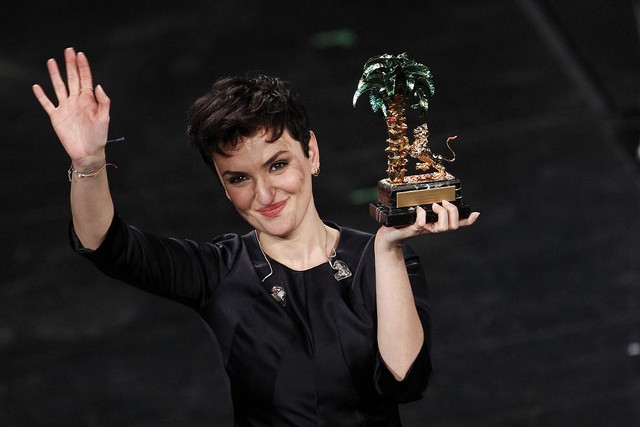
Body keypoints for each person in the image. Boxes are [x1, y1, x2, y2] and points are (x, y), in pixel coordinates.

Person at [33, 47, 479, 426]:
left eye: (277, 165)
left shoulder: (379, 259)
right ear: (223, 186)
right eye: (239, 178)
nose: (264, 195)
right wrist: (89, 162)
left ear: (311, 153)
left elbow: (405, 382)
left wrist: (388, 250)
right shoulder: (218, 271)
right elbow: (105, 244)